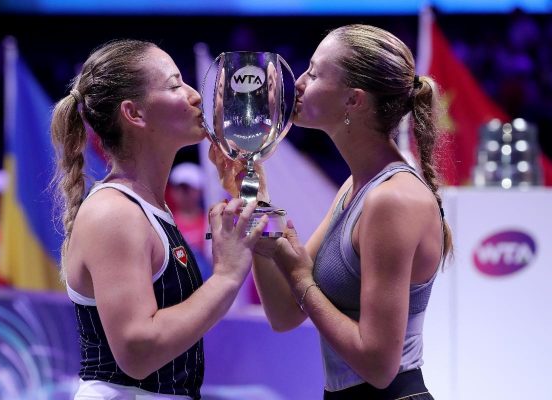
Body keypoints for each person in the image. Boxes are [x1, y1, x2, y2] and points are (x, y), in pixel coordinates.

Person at [211, 24, 453, 399]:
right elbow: (284, 313)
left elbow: (379, 367)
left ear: (353, 100)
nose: (300, 82)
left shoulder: (392, 199)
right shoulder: (354, 188)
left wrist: (301, 278)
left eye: (314, 72)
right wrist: (257, 201)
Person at [50, 39, 266, 400]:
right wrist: (226, 277)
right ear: (134, 113)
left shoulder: (147, 207)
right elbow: (138, 351)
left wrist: (246, 193)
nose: (194, 95)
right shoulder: (114, 213)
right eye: (174, 84)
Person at [168, 162, 211, 279]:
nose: (183, 193)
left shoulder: (210, 223)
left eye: (187, 189)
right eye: (178, 188)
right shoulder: (167, 223)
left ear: (200, 191)